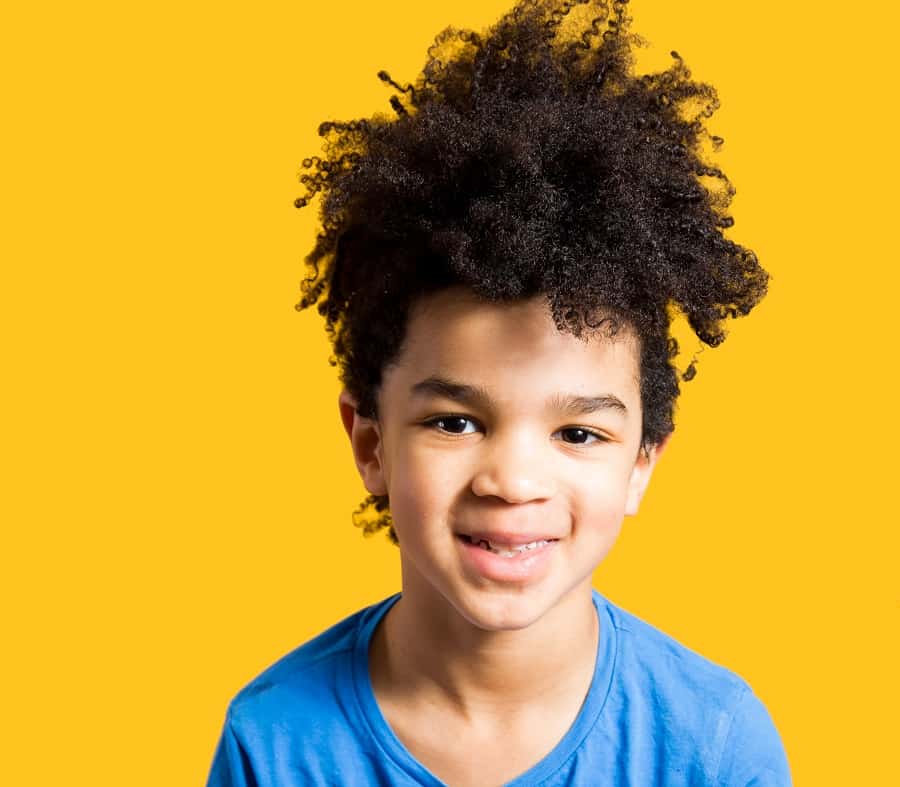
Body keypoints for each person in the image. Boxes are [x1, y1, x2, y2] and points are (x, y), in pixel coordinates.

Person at [206, 1, 791, 784]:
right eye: (455, 421)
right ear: (370, 442)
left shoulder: (713, 746)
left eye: (578, 433)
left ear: (644, 461)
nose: (512, 482)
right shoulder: (273, 743)